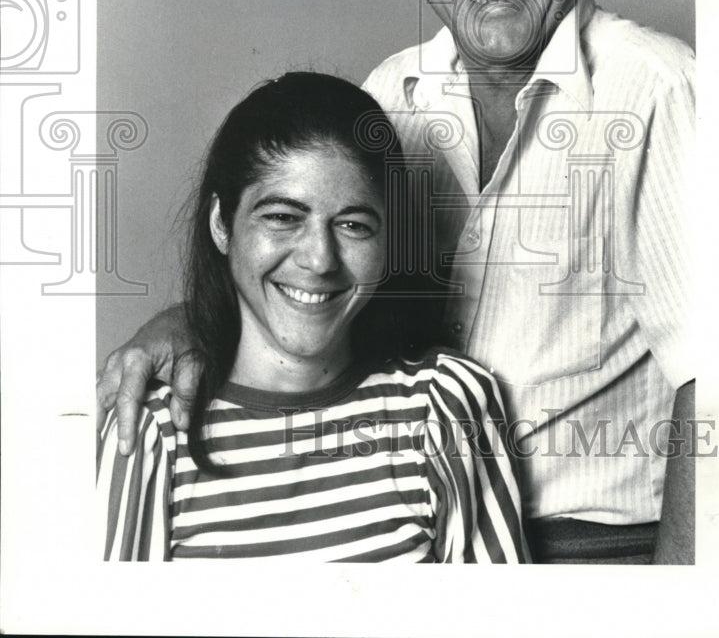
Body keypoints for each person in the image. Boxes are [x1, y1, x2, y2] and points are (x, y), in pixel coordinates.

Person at [97, 0, 695, 564]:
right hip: (408, 535)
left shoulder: (657, 89)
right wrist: (187, 324)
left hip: (597, 550)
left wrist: (683, 604)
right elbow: (314, 275)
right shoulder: (392, 95)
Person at [97, 72, 528, 563]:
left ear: (389, 240)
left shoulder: (444, 405)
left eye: (353, 224)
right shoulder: (152, 431)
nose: (320, 259)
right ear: (221, 224)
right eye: (283, 217)